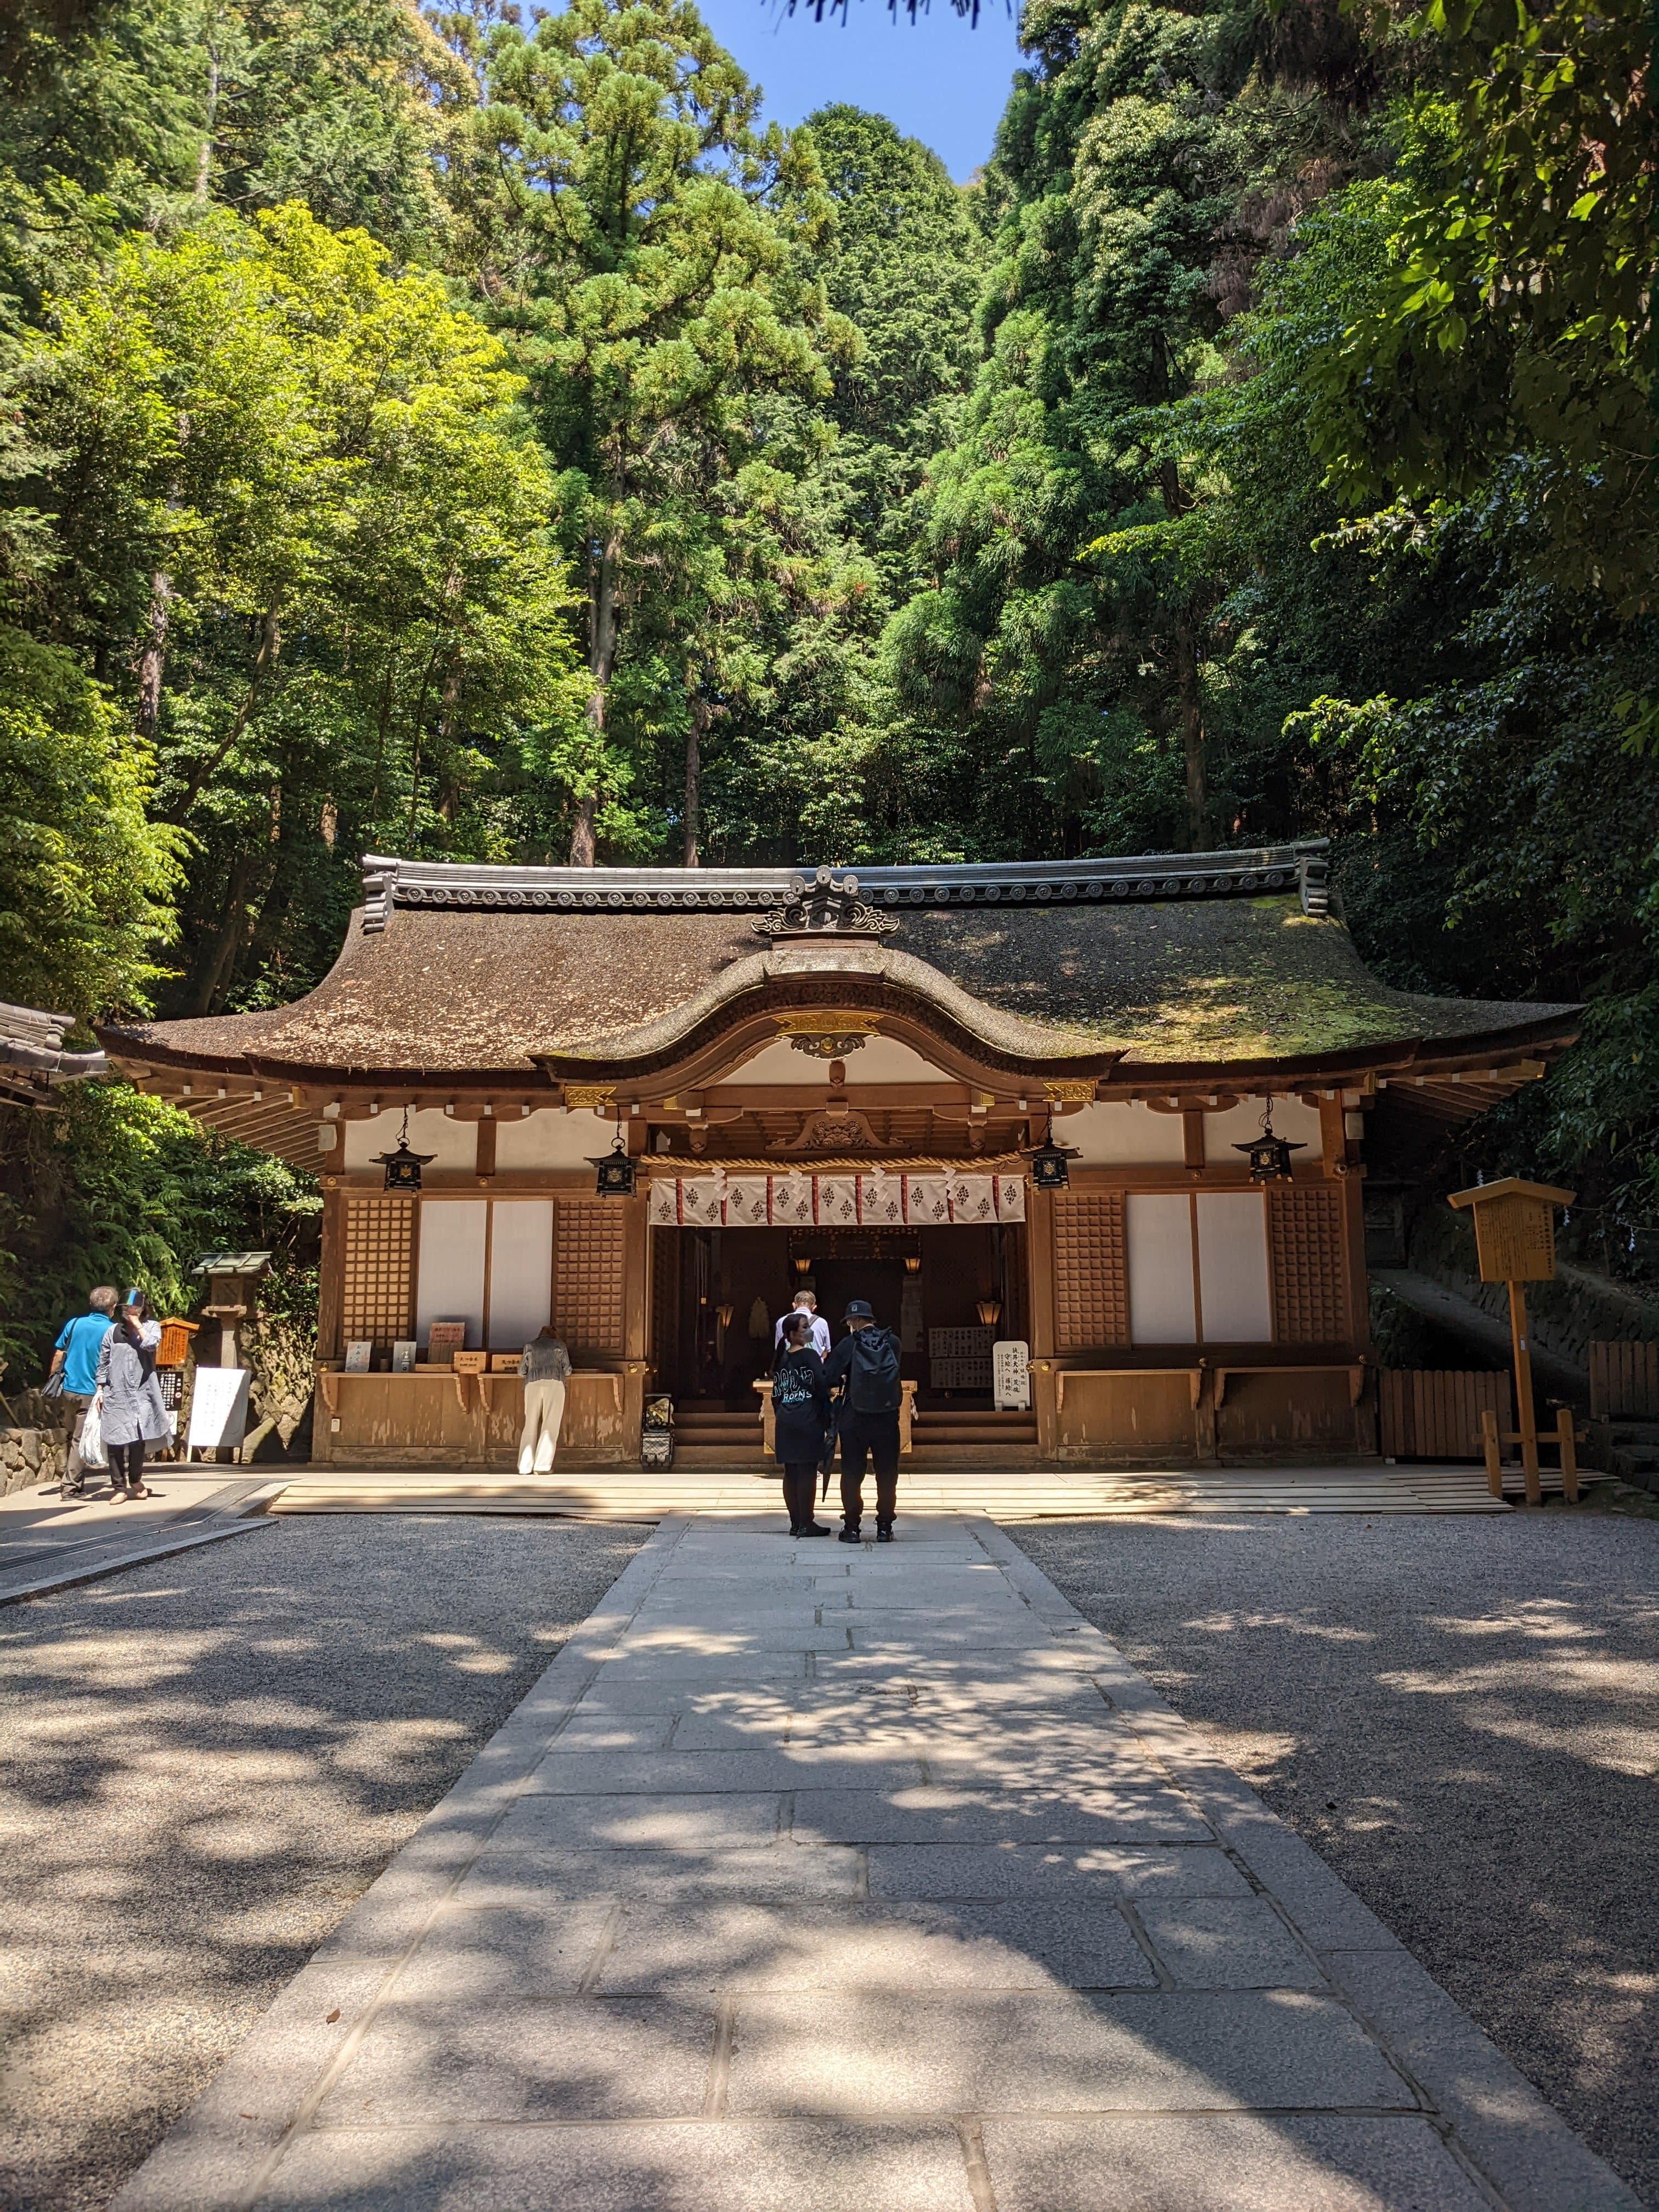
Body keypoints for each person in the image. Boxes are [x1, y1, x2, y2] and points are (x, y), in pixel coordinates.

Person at [821, 1297, 903, 1543]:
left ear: (854, 1321)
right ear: (872, 1320)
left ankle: (853, 1527)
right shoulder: (894, 1342)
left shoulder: (849, 1344)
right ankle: (885, 1526)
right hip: (887, 1416)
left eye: (849, 1321)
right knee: (887, 1473)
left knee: (852, 1472)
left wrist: (845, 1378)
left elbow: (829, 1376)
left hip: (855, 1417)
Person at [94, 1296, 170, 1499]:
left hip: (143, 1392)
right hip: (116, 1393)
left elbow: (152, 1345)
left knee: (138, 1439)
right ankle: (119, 1488)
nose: (131, 1310)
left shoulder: (152, 1326)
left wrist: (137, 1325)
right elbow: (103, 1362)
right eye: (127, 1307)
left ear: (144, 1308)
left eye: (135, 1307)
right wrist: (100, 1390)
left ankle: (135, 1480)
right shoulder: (113, 1331)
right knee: (115, 1441)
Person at [49, 1286, 119, 1498]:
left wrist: (53, 1379)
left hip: (68, 1389)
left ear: (91, 1304)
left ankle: (71, 1478)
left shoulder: (75, 1324)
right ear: (113, 1308)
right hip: (91, 1392)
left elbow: (60, 1353)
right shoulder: (113, 1330)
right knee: (80, 1439)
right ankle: (70, 1488)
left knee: (72, 1435)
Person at [771, 1311, 832, 1538]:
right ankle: (807, 1522)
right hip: (808, 1419)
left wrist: (784, 1412)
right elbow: (821, 1385)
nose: (809, 1332)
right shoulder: (809, 1356)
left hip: (786, 1420)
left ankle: (795, 1522)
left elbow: (775, 1395)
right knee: (807, 1470)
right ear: (792, 1335)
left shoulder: (781, 1359)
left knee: (791, 1471)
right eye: (805, 1328)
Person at [517, 1325, 572, 1474]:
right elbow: (567, 1370)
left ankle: (525, 1466)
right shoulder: (560, 1346)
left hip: (532, 1383)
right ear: (555, 1335)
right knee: (550, 1424)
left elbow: (521, 1372)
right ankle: (542, 1466)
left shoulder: (530, 1346)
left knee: (530, 1423)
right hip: (555, 1383)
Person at [773, 1289, 830, 1358]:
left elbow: (778, 1350)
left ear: (794, 1305)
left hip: (789, 1367)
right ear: (814, 1308)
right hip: (813, 1367)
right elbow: (825, 1353)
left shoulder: (781, 1321)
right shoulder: (822, 1323)